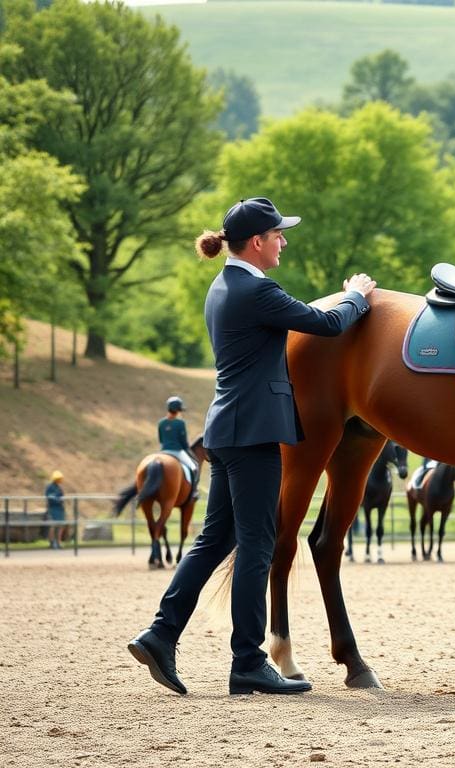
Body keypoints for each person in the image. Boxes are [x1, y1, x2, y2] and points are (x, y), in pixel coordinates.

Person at [128, 196, 376, 696]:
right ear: (258, 242)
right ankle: (247, 661)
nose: (284, 241)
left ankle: (160, 633)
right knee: (259, 545)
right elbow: (325, 323)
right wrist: (355, 295)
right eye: (279, 234)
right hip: (254, 433)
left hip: (227, 430)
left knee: (215, 541)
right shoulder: (254, 290)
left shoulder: (224, 286)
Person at [158, 396, 200, 500]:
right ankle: (194, 492)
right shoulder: (180, 423)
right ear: (178, 410)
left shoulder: (161, 422)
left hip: (163, 452)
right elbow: (183, 442)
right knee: (194, 466)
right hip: (177, 451)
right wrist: (189, 452)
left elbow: (161, 440)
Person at [45, 470, 65, 549]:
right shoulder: (50, 487)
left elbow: (61, 497)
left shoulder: (58, 487)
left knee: (60, 526)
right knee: (53, 525)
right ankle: (52, 542)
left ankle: (58, 542)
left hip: (60, 509)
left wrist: (61, 500)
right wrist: (57, 500)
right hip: (53, 508)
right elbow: (49, 497)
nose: (60, 480)